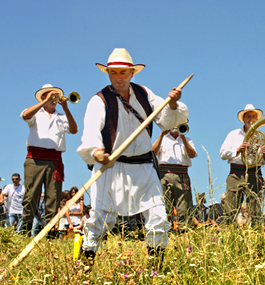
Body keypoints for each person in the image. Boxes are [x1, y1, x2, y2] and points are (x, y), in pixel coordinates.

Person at [77, 48, 187, 266]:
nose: (119, 78)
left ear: (132, 74)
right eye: (114, 73)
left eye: (123, 73)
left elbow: (168, 121)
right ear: (108, 74)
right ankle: (83, 267)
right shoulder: (99, 100)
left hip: (144, 166)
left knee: (158, 216)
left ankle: (155, 269)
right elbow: (90, 133)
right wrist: (97, 152)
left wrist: (172, 103)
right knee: (100, 219)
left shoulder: (144, 94)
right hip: (111, 167)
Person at [20, 83, 78, 235]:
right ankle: (25, 231)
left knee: (53, 198)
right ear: (43, 97)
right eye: (50, 95)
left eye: (55, 96)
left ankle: (50, 232)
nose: (54, 98)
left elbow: (74, 130)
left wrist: (66, 108)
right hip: (35, 159)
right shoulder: (36, 114)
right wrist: (44, 102)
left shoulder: (61, 116)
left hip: (54, 160)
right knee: (31, 195)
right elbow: (25, 115)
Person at [220, 104, 265, 220]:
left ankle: (255, 234)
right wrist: (238, 150)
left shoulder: (263, 137)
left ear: (257, 119)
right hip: (236, 173)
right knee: (231, 209)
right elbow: (222, 154)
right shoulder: (233, 134)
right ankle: (230, 233)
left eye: (253, 116)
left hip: (255, 173)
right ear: (243, 119)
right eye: (248, 116)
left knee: (255, 211)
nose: (251, 119)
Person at [152, 115, 195, 227]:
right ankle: (166, 228)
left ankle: (183, 228)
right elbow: (153, 153)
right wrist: (161, 135)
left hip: (181, 173)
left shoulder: (188, 140)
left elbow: (192, 154)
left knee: (184, 202)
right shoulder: (163, 139)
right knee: (164, 202)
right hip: (164, 173)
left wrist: (183, 137)